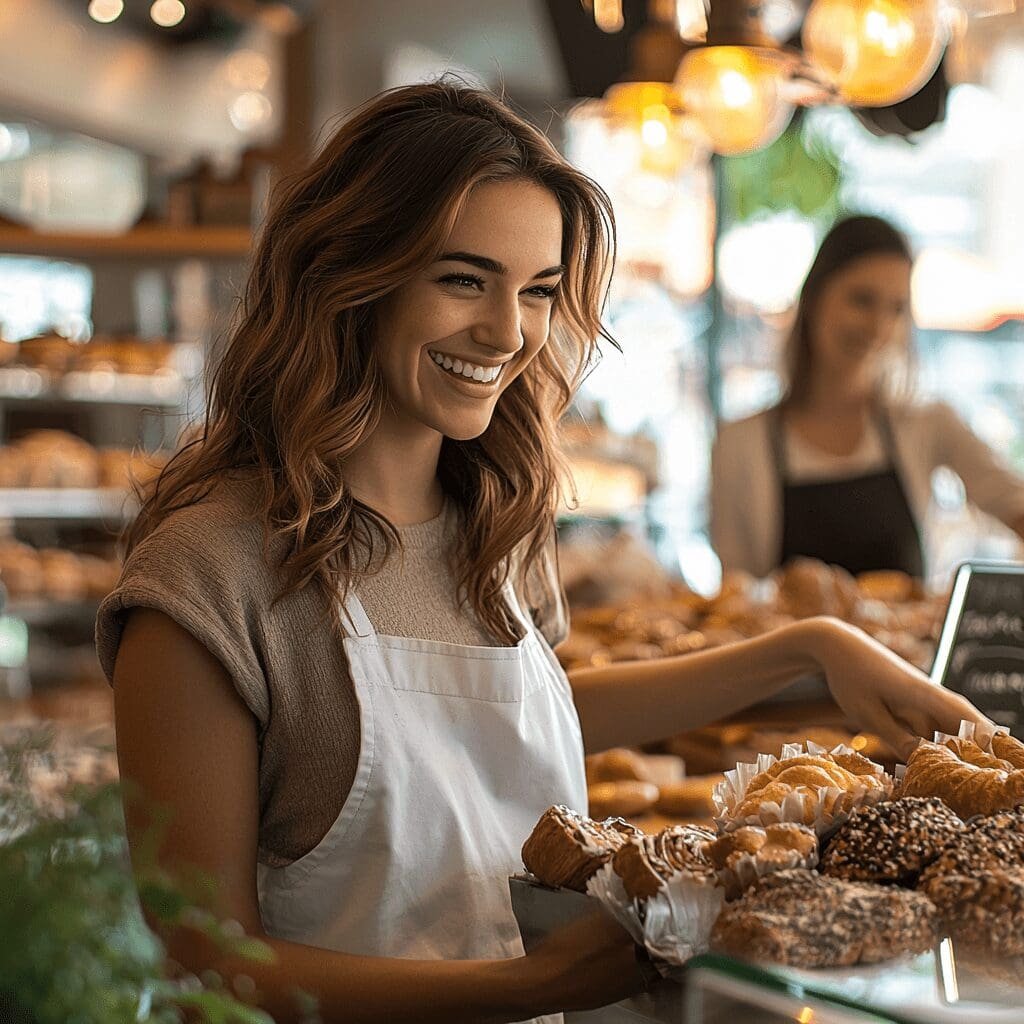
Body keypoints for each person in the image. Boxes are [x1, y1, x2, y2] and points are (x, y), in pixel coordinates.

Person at [101, 87, 995, 1024]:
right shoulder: (210, 575)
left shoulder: (494, 518)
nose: (508, 333)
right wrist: (539, 985)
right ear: (349, 273)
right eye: (461, 279)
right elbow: (208, 959)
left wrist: (808, 649)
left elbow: (532, 725)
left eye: (536, 290)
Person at [711, 214, 1024, 581]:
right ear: (814, 296)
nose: (879, 327)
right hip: (789, 642)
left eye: (896, 308)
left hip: (902, 641)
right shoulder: (740, 443)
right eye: (862, 300)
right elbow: (737, 593)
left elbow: (1011, 501)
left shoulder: (926, 422)